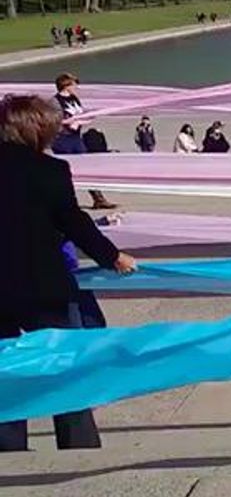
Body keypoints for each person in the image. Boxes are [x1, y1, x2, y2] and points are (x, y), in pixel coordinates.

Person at [0, 95, 138, 452]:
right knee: (63, 367)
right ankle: (77, 444)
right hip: (40, 285)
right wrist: (112, 256)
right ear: (37, 129)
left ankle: (8, 447)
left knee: (4, 370)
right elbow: (73, 222)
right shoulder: (50, 171)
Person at [51, 74, 116, 210]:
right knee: (66, 171)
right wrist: (68, 125)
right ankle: (64, 201)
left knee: (87, 167)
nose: (76, 88)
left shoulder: (74, 98)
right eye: (74, 85)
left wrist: (85, 119)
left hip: (76, 138)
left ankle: (98, 199)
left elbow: (78, 114)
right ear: (66, 86)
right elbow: (52, 121)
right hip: (63, 140)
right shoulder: (55, 102)